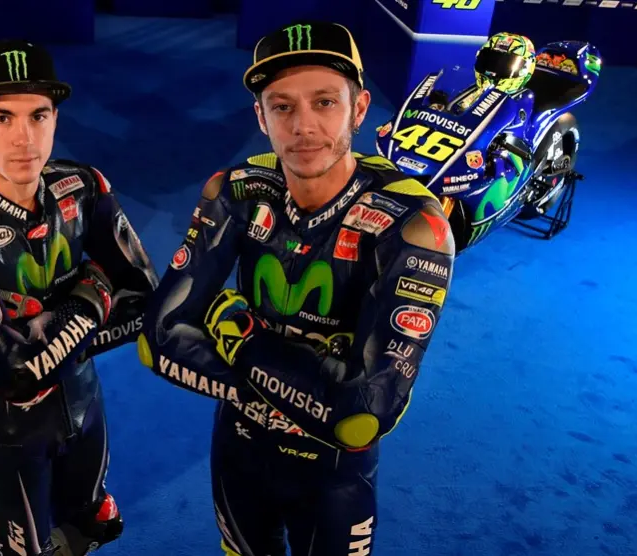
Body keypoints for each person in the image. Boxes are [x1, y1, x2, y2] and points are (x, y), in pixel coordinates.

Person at [138, 21, 455, 555]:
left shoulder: (413, 221)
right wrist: (306, 388)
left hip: (333, 474)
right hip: (238, 448)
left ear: (359, 109)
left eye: (325, 102)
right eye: (282, 107)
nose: (303, 126)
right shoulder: (238, 188)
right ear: (261, 118)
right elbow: (158, 339)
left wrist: (237, 335)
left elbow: (362, 416)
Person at [0, 38, 159, 556]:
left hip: (84, 404)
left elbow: (143, 300)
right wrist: (93, 294)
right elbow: (13, 374)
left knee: (91, 526)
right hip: (0, 431)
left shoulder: (83, 185)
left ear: (55, 119)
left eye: (38, 116)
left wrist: (50, 340)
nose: (25, 139)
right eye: (2, 118)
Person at [440, 32, 536, 113]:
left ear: (526, 68)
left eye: (504, 65)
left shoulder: (520, 102)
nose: (494, 70)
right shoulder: (469, 87)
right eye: (490, 61)